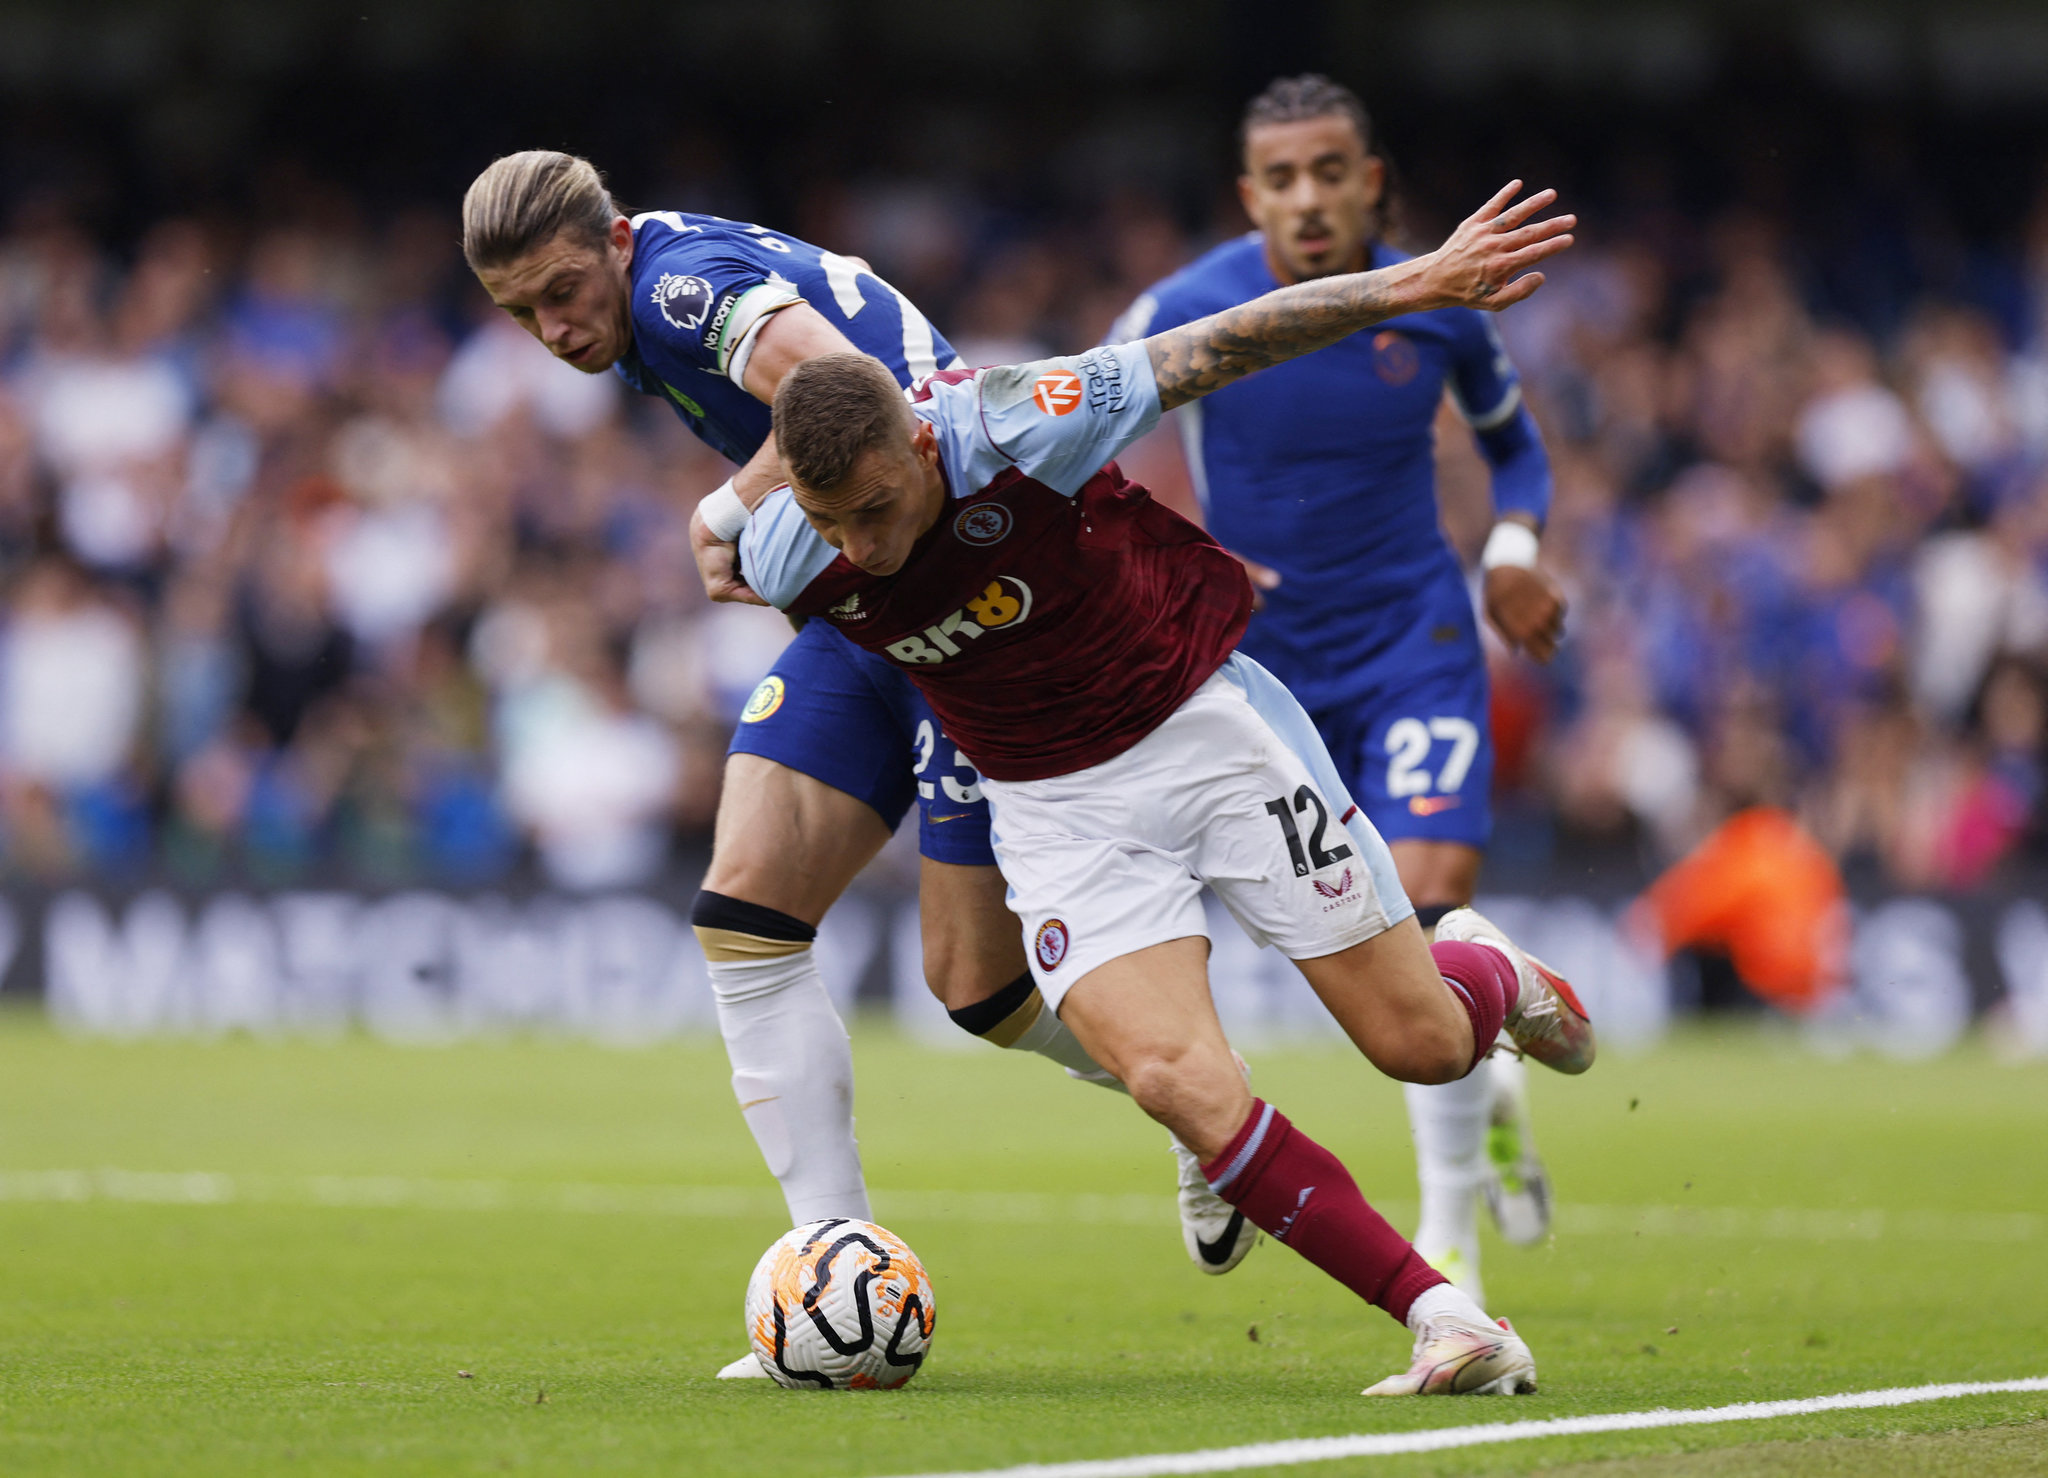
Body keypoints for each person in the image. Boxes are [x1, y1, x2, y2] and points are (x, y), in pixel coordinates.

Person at [735, 179, 1592, 1394]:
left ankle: (1492, 973)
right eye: (834, 520)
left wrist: (1413, 283)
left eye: (878, 507)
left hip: (1207, 736)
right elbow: (731, 542)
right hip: (1052, 811)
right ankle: (1447, 1318)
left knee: (1421, 1044)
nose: (861, 546)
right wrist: (744, 523)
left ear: (921, 439)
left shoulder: (1017, 422)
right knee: (1175, 1085)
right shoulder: (793, 547)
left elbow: (1222, 345)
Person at [459, 152, 1137, 1380]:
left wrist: (725, 511)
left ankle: (1194, 1099)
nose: (553, 330)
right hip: (865, 601)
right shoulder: (639, 296)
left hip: (968, 593)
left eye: (561, 291)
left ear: (613, 238)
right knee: (746, 915)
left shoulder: (673, 290)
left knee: (974, 983)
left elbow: (851, 387)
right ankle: (831, 1261)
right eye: (521, 314)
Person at [1110, 75, 1572, 1299]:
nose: (1308, 198)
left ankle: (1451, 1248)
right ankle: (1214, 1124)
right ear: (1246, 192)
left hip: (1413, 641)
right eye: (1282, 176)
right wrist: (1177, 557)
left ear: (1370, 179)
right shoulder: (1183, 308)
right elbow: (1066, 452)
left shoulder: (1442, 300)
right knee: (1185, 914)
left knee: (1421, 919)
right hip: (1254, 667)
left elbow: (1515, 444)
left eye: (1331, 171)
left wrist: (1512, 552)